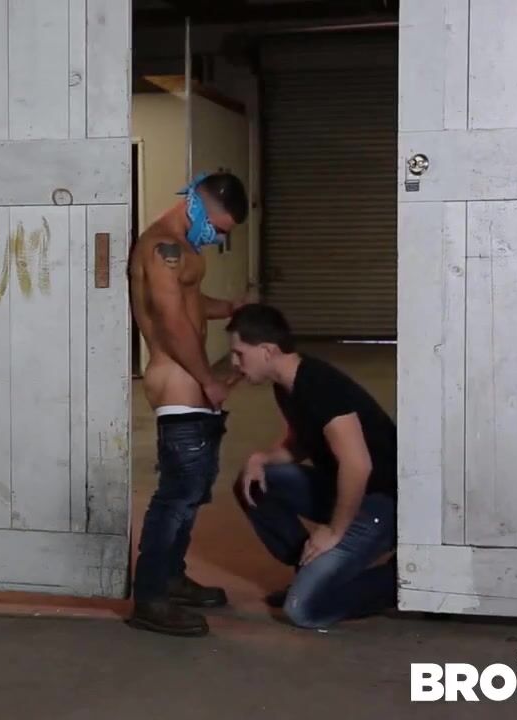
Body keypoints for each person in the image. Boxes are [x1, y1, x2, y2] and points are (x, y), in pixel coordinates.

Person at [126, 170, 251, 637]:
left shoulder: (179, 249)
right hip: (177, 381)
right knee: (176, 495)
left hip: (189, 383)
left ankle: (171, 579)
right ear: (198, 204)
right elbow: (173, 322)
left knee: (192, 490)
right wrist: (208, 380)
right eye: (217, 228)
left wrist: (230, 309)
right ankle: (150, 598)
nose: (216, 237)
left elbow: (191, 304)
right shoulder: (162, 247)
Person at [225, 303, 398, 629]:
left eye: (239, 354)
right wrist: (261, 458)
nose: (234, 363)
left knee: (304, 609)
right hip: (344, 489)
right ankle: (310, 570)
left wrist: (334, 531)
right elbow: (303, 443)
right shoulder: (286, 385)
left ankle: (398, 582)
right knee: (257, 483)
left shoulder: (318, 385)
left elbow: (358, 465)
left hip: (381, 502)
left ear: (267, 351)